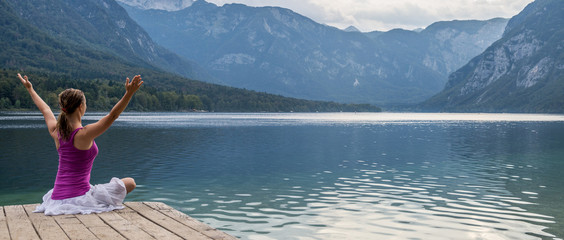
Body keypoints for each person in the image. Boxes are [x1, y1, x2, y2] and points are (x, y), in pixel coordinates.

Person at [17, 73, 143, 215]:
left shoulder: (56, 132)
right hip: (79, 197)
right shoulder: (84, 134)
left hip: (56, 198)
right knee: (130, 183)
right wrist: (129, 93)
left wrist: (30, 89)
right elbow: (113, 115)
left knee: (97, 187)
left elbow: (45, 110)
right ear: (81, 106)